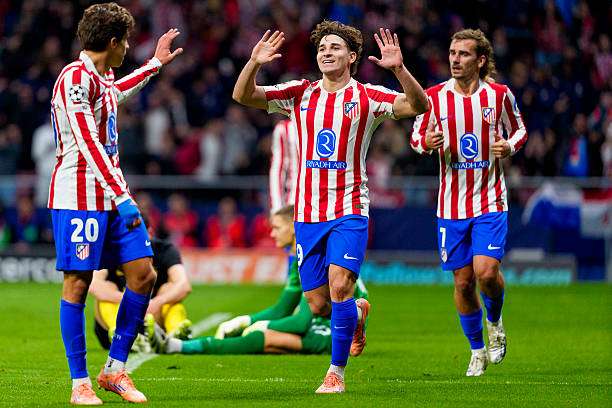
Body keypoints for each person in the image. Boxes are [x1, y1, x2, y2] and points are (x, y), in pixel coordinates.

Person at [232, 20, 428, 393]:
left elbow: (419, 105)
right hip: (307, 214)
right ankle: (357, 314)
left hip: (350, 207)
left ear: (352, 56)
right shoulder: (300, 94)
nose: (326, 52)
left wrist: (399, 69)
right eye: (322, 47)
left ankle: (335, 373)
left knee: (340, 286)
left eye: (335, 47)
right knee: (319, 304)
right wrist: (254, 62)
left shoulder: (368, 97)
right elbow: (244, 95)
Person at [48, 3, 182, 404]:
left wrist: (154, 65)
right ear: (112, 42)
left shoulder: (101, 77)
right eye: (126, 42)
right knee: (78, 283)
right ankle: (80, 383)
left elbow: (117, 92)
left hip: (110, 196)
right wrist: (124, 198)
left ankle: (115, 370)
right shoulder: (74, 77)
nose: (129, 49)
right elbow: (88, 142)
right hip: (79, 199)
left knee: (143, 274)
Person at [410, 29, 528, 376]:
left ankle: (495, 321)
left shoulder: (499, 95)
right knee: (462, 282)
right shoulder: (432, 98)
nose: (455, 59)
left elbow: (519, 129)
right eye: (452, 53)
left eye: (463, 54)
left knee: (486, 273)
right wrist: (426, 142)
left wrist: (509, 147)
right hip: (450, 207)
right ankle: (476, 349)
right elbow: (416, 136)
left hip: (490, 200)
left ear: (480, 60)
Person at [151, 205, 368, 357]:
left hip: (332, 331)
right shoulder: (298, 261)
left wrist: (257, 325)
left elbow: (301, 322)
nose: (272, 234)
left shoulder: (313, 257)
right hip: (321, 326)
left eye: (276, 227)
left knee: (262, 338)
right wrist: (245, 320)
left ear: (293, 228)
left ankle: (180, 347)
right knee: (265, 339)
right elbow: (282, 309)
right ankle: (182, 345)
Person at [89, 220, 192, 351]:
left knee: (168, 289)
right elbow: (93, 284)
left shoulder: (164, 250)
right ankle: (118, 333)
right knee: (106, 290)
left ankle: (176, 332)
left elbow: (184, 285)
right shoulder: (110, 250)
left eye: (138, 234)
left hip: (154, 319)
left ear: (150, 233)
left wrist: (158, 302)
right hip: (122, 314)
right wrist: (132, 302)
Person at [269, 119, 298, 214]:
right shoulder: (285, 128)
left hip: (329, 201)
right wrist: (276, 208)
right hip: (294, 203)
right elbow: (277, 169)